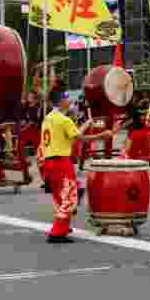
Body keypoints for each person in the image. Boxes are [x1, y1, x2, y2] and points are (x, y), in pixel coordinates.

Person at [41, 89, 115, 244]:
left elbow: (71, 137)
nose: (70, 102)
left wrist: (86, 125)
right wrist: (101, 136)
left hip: (49, 162)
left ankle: (64, 226)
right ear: (61, 101)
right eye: (67, 99)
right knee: (70, 197)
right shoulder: (64, 120)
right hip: (61, 162)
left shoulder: (48, 118)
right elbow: (80, 139)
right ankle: (57, 231)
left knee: (60, 197)